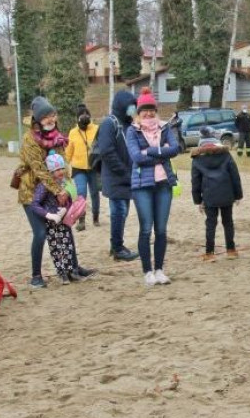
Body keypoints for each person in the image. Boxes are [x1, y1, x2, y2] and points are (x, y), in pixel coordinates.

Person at [17, 96, 97, 288]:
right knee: (40, 233)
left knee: (66, 226)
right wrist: (58, 190)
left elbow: (63, 163)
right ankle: (36, 276)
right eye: (46, 116)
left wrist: (68, 190)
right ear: (37, 119)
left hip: (55, 192)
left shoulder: (56, 137)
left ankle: (74, 267)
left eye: (53, 115)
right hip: (32, 193)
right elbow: (39, 170)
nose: (51, 119)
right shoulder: (29, 139)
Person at [125, 88, 180, 287]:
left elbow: (175, 149)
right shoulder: (132, 131)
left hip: (164, 184)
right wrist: (161, 152)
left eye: (151, 110)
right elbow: (136, 157)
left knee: (162, 230)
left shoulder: (165, 128)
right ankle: (147, 271)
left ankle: (159, 270)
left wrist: (149, 151)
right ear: (138, 113)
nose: (148, 113)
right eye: (144, 110)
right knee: (146, 229)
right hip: (142, 186)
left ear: (156, 111)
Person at [97, 91, 140, 262]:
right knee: (119, 212)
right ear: (122, 105)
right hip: (115, 178)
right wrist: (123, 171)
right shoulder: (109, 123)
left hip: (126, 178)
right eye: (131, 106)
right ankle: (117, 248)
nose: (133, 109)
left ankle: (116, 245)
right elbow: (107, 151)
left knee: (123, 213)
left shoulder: (127, 124)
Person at [29, 154, 85, 285]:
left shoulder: (64, 182)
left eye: (62, 168)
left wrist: (66, 209)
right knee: (56, 248)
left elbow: (69, 199)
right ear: (50, 172)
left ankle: (71, 271)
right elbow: (34, 204)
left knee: (68, 246)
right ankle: (62, 273)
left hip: (64, 221)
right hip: (51, 223)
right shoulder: (44, 185)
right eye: (57, 170)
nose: (60, 172)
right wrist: (48, 215)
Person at [191, 126, 243, 261]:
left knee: (210, 223)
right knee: (228, 222)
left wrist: (198, 200)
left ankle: (209, 253)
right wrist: (238, 195)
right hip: (227, 194)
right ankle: (231, 250)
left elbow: (195, 182)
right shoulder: (226, 155)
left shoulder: (197, 159)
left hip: (209, 196)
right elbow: (235, 176)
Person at [65, 104, 100, 231]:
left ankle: (95, 217)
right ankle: (81, 220)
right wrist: (64, 166)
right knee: (81, 193)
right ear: (77, 118)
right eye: (81, 115)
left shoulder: (97, 129)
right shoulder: (73, 132)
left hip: (94, 167)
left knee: (95, 193)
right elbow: (69, 151)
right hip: (78, 168)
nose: (84, 117)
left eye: (86, 115)